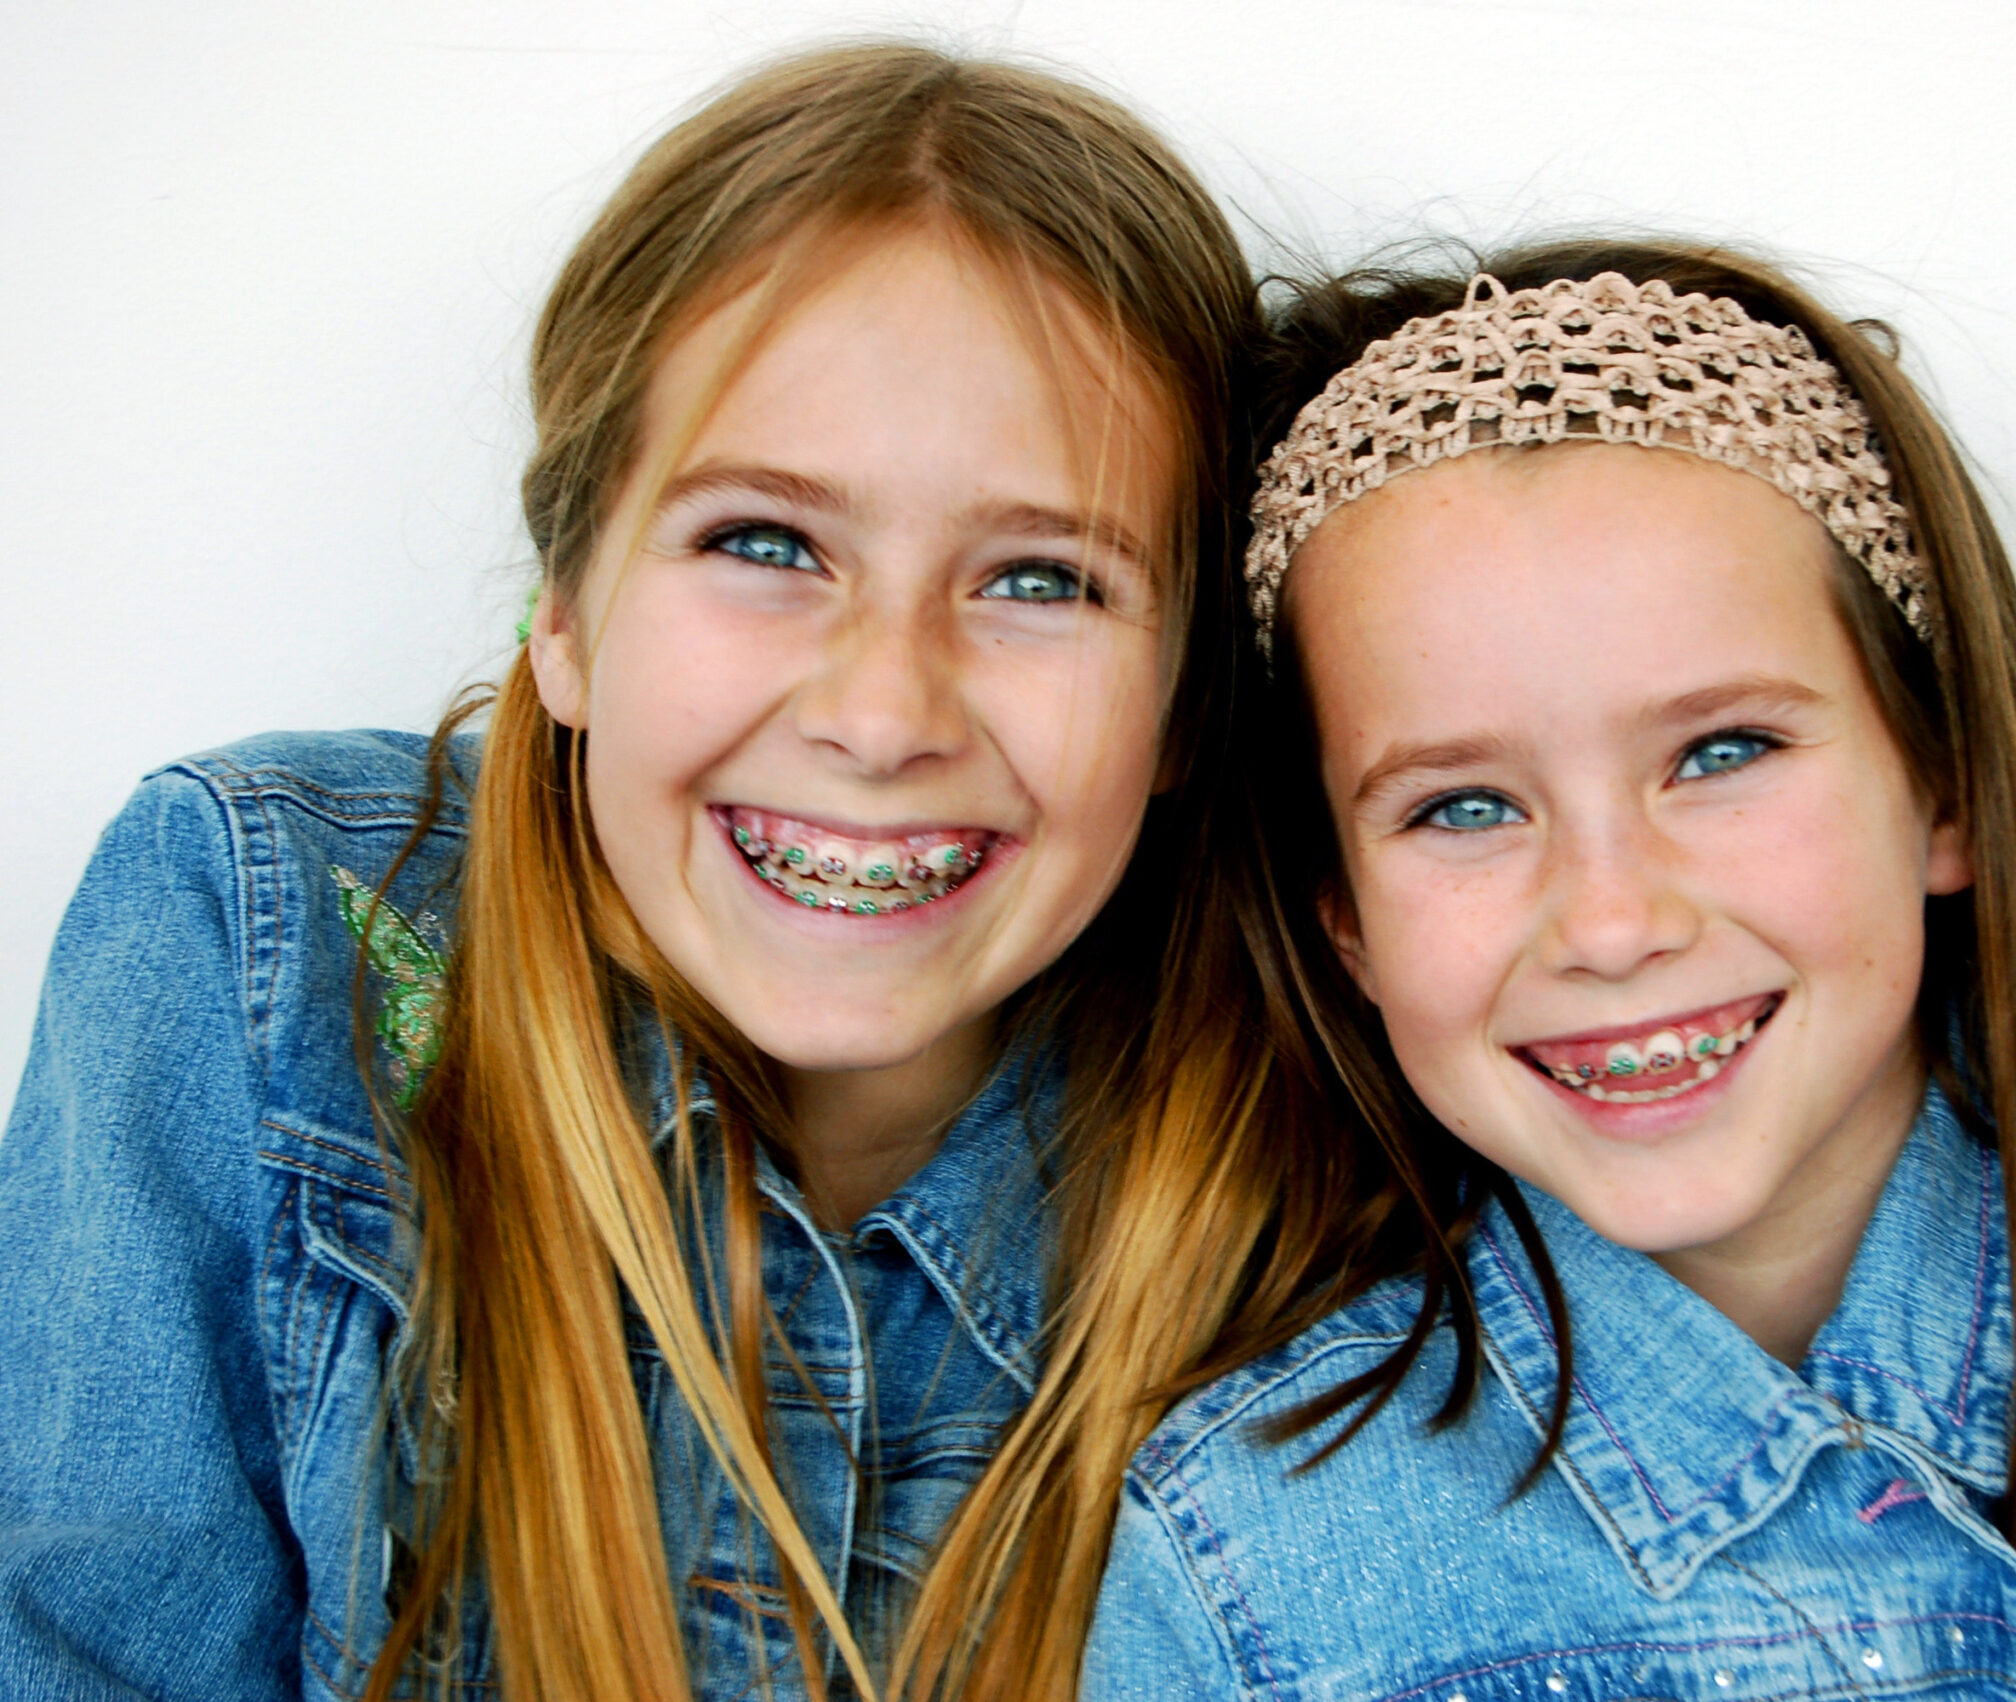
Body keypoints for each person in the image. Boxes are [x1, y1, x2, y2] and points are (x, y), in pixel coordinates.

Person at [1078, 241, 2016, 1699]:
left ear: (1948, 782)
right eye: (1463, 808)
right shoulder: (1243, 1566)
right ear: (1343, 917)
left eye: (1723, 752)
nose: (1610, 922)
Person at [0, 41, 1264, 1701]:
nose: (884, 713)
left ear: (1187, 698)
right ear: (570, 616)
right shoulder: (260, 936)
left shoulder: (1296, 1154)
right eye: (765, 543)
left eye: (1040, 579)